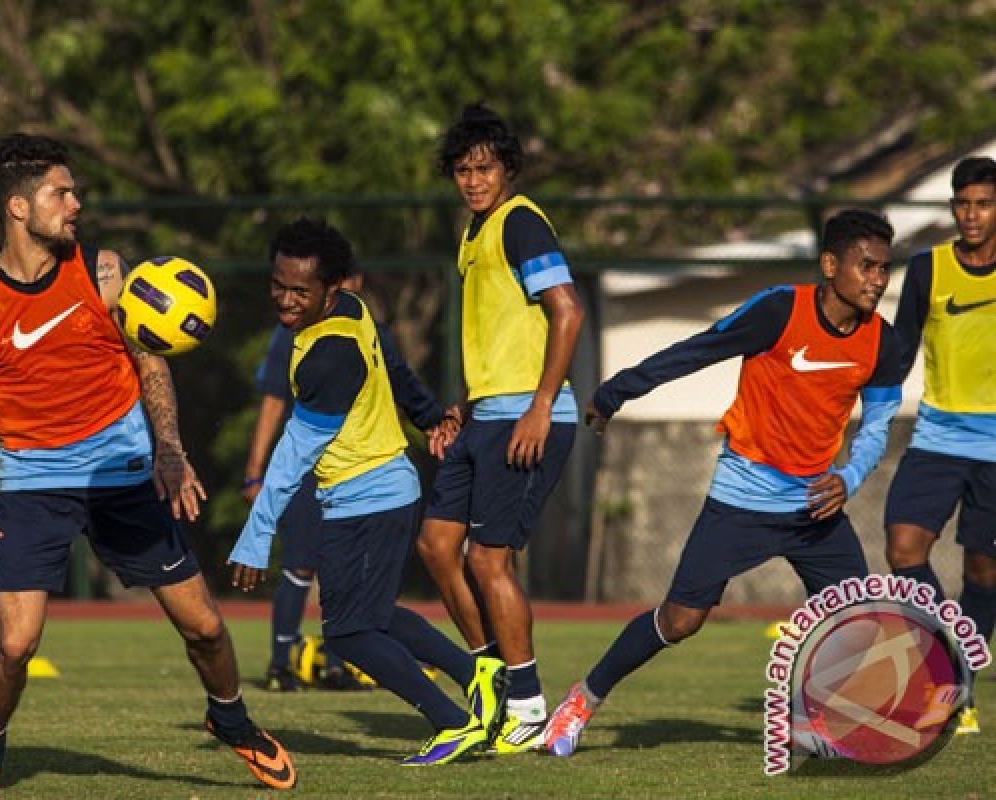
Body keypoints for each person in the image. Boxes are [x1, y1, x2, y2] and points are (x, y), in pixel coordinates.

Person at [0, 133, 295, 798]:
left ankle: (230, 719)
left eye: (74, 191)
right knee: (15, 645)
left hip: (124, 475)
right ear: (17, 206)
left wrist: (171, 451)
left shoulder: (106, 272)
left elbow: (151, 363)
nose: (76, 203)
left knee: (205, 627)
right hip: (34, 484)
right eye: (61, 192)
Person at [542, 209, 903, 757]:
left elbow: (878, 426)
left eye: (885, 269)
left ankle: (814, 722)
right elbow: (699, 349)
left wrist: (849, 476)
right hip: (742, 497)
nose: (877, 280)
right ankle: (583, 699)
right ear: (831, 265)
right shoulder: (780, 309)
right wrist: (618, 390)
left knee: (854, 621)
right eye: (867, 266)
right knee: (681, 620)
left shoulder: (884, 341)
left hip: (815, 506)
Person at [228, 216, 507, 766]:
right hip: (386, 490)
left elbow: (291, 459)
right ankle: (478, 672)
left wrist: (254, 537)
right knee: (375, 616)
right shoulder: (354, 310)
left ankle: (453, 724)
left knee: (349, 635)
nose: (285, 299)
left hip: (364, 500)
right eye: (278, 284)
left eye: (300, 291)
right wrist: (428, 417)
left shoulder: (327, 356)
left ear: (331, 289)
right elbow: (397, 368)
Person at [415, 103, 585, 753]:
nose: (473, 180)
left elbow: (567, 313)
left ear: (507, 168)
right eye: (462, 170)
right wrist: (461, 405)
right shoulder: (473, 230)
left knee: (488, 559)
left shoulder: (520, 223)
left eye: (484, 167)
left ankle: (530, 706)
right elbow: (495, 333)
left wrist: (540, 406)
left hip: (528, 418)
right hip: (486, 414)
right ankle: (491, 676)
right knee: (436, 545)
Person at [244, 274, 451, 692]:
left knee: (358, 599)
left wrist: (432, 418)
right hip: (309, 466)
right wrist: (256, 469)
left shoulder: (363, 324)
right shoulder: (296, 330)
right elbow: (273, 398)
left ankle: (342, 664)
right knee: (301, 563)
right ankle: (281, 663)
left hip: (365, 477)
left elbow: (398, 376)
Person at [884, 156, 996, 736]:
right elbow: (901, 349)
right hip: (935, 438)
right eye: (963, 203)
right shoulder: (928, 266)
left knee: (984, 570)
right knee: (903, 549)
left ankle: (961, 688)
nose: (972, 214)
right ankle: (946, 662)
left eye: (983, 203)